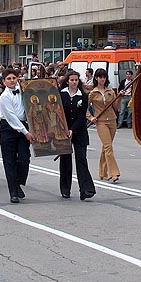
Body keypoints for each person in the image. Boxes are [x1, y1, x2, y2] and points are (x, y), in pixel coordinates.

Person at [0, 68, 33, 203]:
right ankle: (13, 192)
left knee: (24, 158)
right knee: (10, 160)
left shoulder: (23, 90)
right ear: (4, 81)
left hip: (23, 125)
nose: (12, 81)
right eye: (9, 79)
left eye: (14, 78)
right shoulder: (4, 97)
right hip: (9, 128)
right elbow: (11, 118)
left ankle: (18, 183)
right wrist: (26, 132)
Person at [59, 70, 96, 200]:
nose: (74, 82)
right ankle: (65, 189)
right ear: (67, 81)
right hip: (63, 130)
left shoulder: (83, 96)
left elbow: (82, 116)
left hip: (79, 131)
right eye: (71, 80)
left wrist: (73, 129)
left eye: (76, 80)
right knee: (65, 160)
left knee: (81, 159)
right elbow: (57, 112)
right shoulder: (61, 94)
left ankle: (85, 189)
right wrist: (65, 129)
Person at [87, 67, 120, 183]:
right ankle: (114, 173)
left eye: (104, 77)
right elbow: (85, 108)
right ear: (96, 78)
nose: (102, 79)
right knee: (108, 147)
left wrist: (119, 97)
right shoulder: (93, 93)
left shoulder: (110, 91)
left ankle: (102, 171)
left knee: (106, 146)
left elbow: (116, 107)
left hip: (112, 120)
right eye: (100, 77)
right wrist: (91, 117)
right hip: (101, 122)